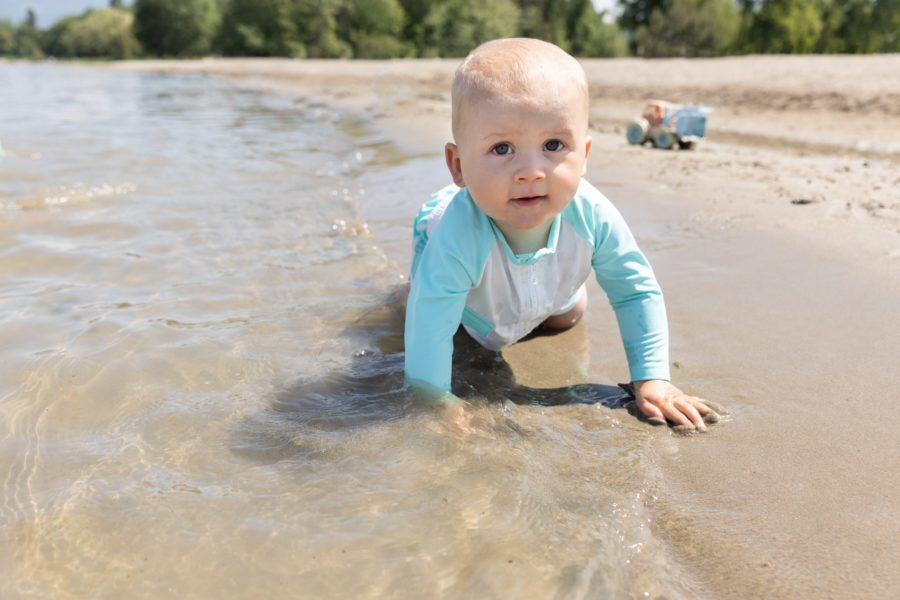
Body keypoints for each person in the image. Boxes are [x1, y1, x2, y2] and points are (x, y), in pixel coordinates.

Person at [404, 38, 716, 431]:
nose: (531, 170)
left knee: (569, 314)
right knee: (425, 310)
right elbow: (431, 320)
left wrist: (652, 378)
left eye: (553, 145)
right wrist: (432, 397)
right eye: (502, 149)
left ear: (583, 154)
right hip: (472, 302)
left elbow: (635, 289)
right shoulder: (457, 232)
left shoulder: (592, 214)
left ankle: (545, 296)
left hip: (542, 283)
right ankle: (411, 289)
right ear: (458, 165)